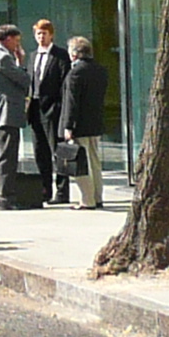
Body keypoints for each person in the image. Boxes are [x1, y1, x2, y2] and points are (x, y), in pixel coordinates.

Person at [0, 23, 33, 210]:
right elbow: (24, 80)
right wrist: (21, 61)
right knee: (6, 157)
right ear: (8, 38)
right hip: (6, 113)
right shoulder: (3, 57)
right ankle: (6, 198)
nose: (18, 46)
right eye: (16, 41)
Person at [62, 34, 109, 210]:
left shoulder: (75, 73)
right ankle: (98, 196)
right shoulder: (100, 70)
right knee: (95, 161)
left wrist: (68, 126)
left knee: (80, 162)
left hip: (80, 124)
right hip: (95, 122)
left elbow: (72, 102)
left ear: (74, 54)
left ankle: (87, 199)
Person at [26, 19, 68, 205]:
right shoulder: (33, 56)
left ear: (51, 35)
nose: (41, 37)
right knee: (40, 152)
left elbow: (65, 84)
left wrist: (60, 108)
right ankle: (45, 189)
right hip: (35, 109)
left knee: (57, 151)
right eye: (38, 34)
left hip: (53, 110)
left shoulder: (60, 55)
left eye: (44, 34)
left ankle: (62, 191)